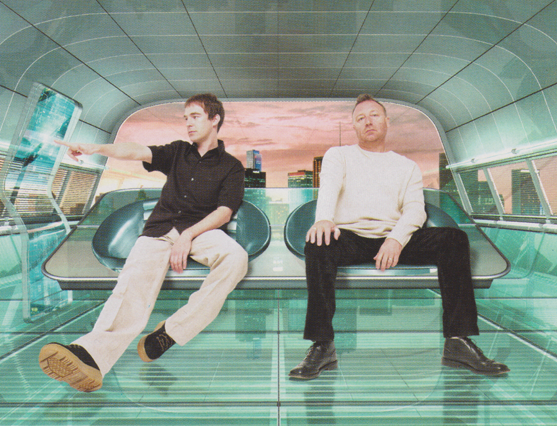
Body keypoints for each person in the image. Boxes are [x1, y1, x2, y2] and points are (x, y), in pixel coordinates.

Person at [289, 94, 509, 381]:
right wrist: (324, 219)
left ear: (387, 121)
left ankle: (458, 341)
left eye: (374, 115)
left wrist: (395, 239)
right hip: (351, 238)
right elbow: (328, 188)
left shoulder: (406, 166)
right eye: (360, 118)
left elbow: (416, 210)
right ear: (354, 126)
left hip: (395, 240)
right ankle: (322, 345)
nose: (368, 122)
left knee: (454, 239)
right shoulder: (339, 155)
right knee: (318, 243)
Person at [39, 93, 248, 392]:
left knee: (236, 259)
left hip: (201, 230)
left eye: (195, 116)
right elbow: (136, 150)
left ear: (215, 119)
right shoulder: (177, 152)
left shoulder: (231, 166)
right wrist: (96, 148)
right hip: (160, 229)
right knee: (132, 286)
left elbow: (224, 212)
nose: (188, 123)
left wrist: (188, 236)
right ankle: (91, 357)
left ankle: (171, 332)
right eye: (185, 118)